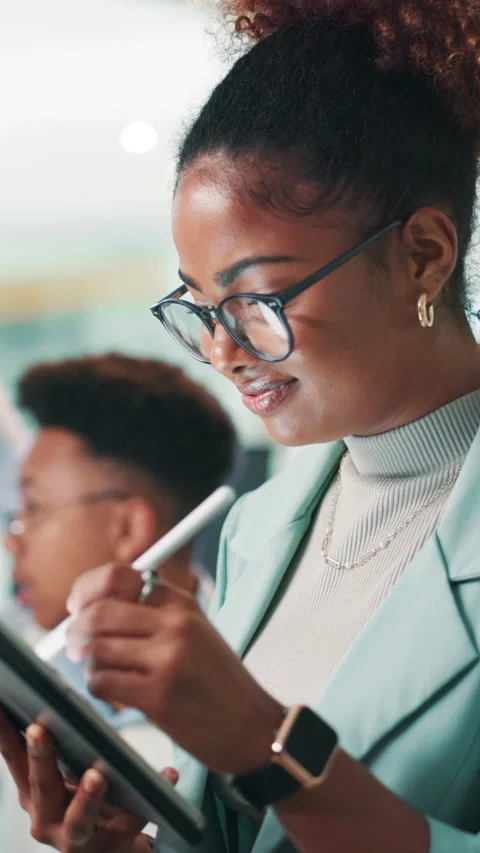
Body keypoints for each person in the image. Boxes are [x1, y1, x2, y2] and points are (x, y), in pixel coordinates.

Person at [2, 1, 480, 851]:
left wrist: (267, 743)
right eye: (199, 305)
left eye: (258, 299)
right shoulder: (256, 532)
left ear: (425, 256)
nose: (222, 351)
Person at [0, 353, 236, 850]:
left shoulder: (253, 690)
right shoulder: (14, 693)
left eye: (34, 509)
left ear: (127, 528)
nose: (11, 540)